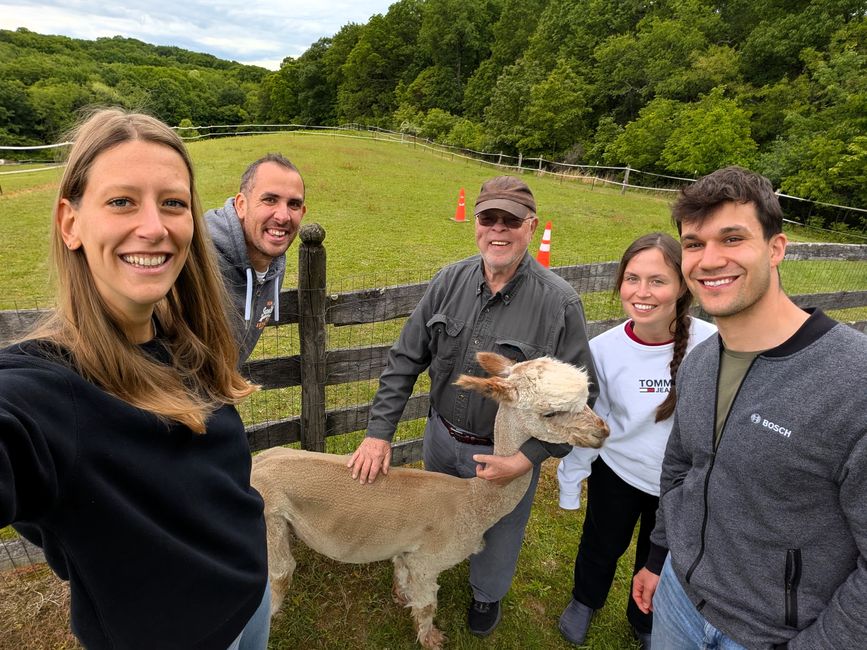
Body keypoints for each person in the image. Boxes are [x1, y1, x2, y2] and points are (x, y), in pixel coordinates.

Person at [0, 108, 270, 650]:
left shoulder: (187, 346)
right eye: (121, 201)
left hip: (250, 607)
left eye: (173, 203)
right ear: (70, 223)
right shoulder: (43, 391)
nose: (154, 226)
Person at [347, 175, 598, 637]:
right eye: (488, 218)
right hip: (441, 439)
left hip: (507, 455)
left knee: (498, 531)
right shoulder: (449, 281)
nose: (498, 230)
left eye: (511, 220)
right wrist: (379, 432)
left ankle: (485, 594)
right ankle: (426, 567)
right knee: (430, 516)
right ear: (476, 223)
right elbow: (405, 359)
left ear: (531, 225)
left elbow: (584, 399)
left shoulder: (559, 303)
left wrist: (527, 460)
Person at [631, 166, 867, 649]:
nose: (709, 260)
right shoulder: (699, 363)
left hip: (773, 635)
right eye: (694, 244)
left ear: (776, 248)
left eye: (732, 238)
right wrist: (659, 557)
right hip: (680, 599)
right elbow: (681, 468)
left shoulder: (854, 384)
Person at [556, 232, 716, 648]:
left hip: (680, 484)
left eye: (658, 280)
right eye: (632, 278)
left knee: (658, 558)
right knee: (600, 543)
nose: (642, 292)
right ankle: (585, 599)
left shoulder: (712, 344)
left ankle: (644, 618)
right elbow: (591, 422)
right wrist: (571, 479)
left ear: (682, 285)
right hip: (619, 473)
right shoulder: (603, 350)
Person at [205, 153, 306, 362]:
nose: (283, 216)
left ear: (303, 212)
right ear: (241, 205)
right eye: (270, 200)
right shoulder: (198, 258)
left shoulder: (273, 263)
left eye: (294, 204)